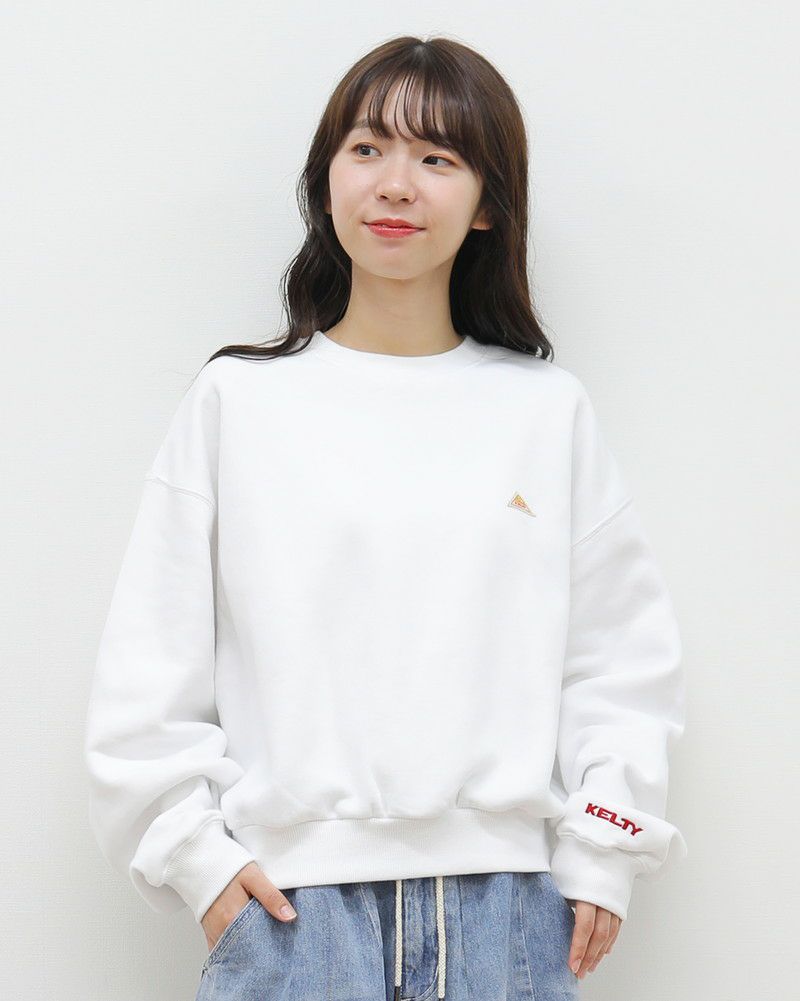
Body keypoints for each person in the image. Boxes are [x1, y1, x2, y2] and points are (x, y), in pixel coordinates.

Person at [83, 34, 688, 1000]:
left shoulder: (544, 411)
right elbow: (148, 668)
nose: (395, 184)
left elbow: (619, 663)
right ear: (326, 183)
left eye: (437, 157)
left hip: (508, 916)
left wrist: (606, 846)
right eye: (366, 149)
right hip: (294, 919)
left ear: (487, 203)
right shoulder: (238, 403)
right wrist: (197, 862)